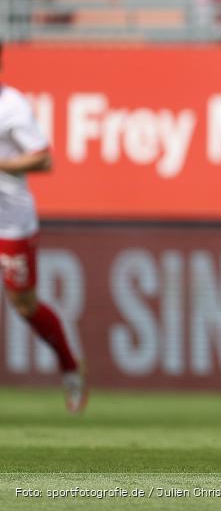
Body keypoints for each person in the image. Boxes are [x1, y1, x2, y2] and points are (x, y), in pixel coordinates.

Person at [0, 43, 87, 414]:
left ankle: (71, 368)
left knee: (24, 305)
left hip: (9, 216)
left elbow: (45, 159)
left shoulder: (12, 105)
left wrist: (3, 164)